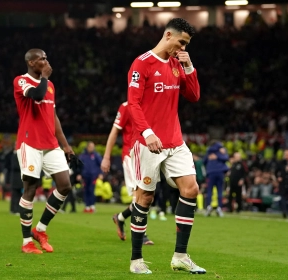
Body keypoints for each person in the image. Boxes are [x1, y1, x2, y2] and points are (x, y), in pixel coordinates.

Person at [126, 18, 206, 274]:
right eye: (181, 42)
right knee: (145, 197)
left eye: (186, 45)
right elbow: (133, 103)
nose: (182, 48)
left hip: (174, 140)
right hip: (147, 144)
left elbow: (194, 96)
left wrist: (189, 66)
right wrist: (147, 132)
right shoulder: (142, 63)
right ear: (168, 35)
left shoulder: (176, 64)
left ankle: (180, 256)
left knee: (191, 189)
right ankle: (136, 260)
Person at [13, 49, 74, 254]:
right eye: (42, 59)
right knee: (30, 188)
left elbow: (53, 116)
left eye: (47, 58)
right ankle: (26, 242)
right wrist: (45, 78)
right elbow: (37, 95)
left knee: (65, 185)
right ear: (31, 62)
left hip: (50, 144)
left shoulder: (50, 86)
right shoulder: (21, 81)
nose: (46, 61)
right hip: (29, 143)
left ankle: (40, 229)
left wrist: (65, 145)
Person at [100, 102, 154, 244]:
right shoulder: (126, 106)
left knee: (147, 197)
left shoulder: (151, 102)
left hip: (147, 155)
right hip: (130, 155)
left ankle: (120, 218)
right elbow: (114, 131)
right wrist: (106, 157)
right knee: (139, 196)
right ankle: (142, 234)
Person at [203, 140, 229, 217]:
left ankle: (208, 207)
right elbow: (226, 158)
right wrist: (219, 156)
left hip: (211, 172)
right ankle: (219, 208)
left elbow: (204, 161)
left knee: (209, 190)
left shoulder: (209, 151)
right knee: (220, 191)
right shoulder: (221, 150)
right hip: (220, 172)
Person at [79, 141, 102, 213]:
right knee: (86, 191)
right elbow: (79, 166)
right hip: (85, 176)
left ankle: (92, 206)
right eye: (91, 147)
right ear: (87, 147)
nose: (92, 148)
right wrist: (79, 174)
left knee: (91, 190)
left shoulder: (96, 155)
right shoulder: (82, 156)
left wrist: (101, 173)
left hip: (93, 176)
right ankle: (87, 206)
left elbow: (101, 164)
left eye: (93, 147)